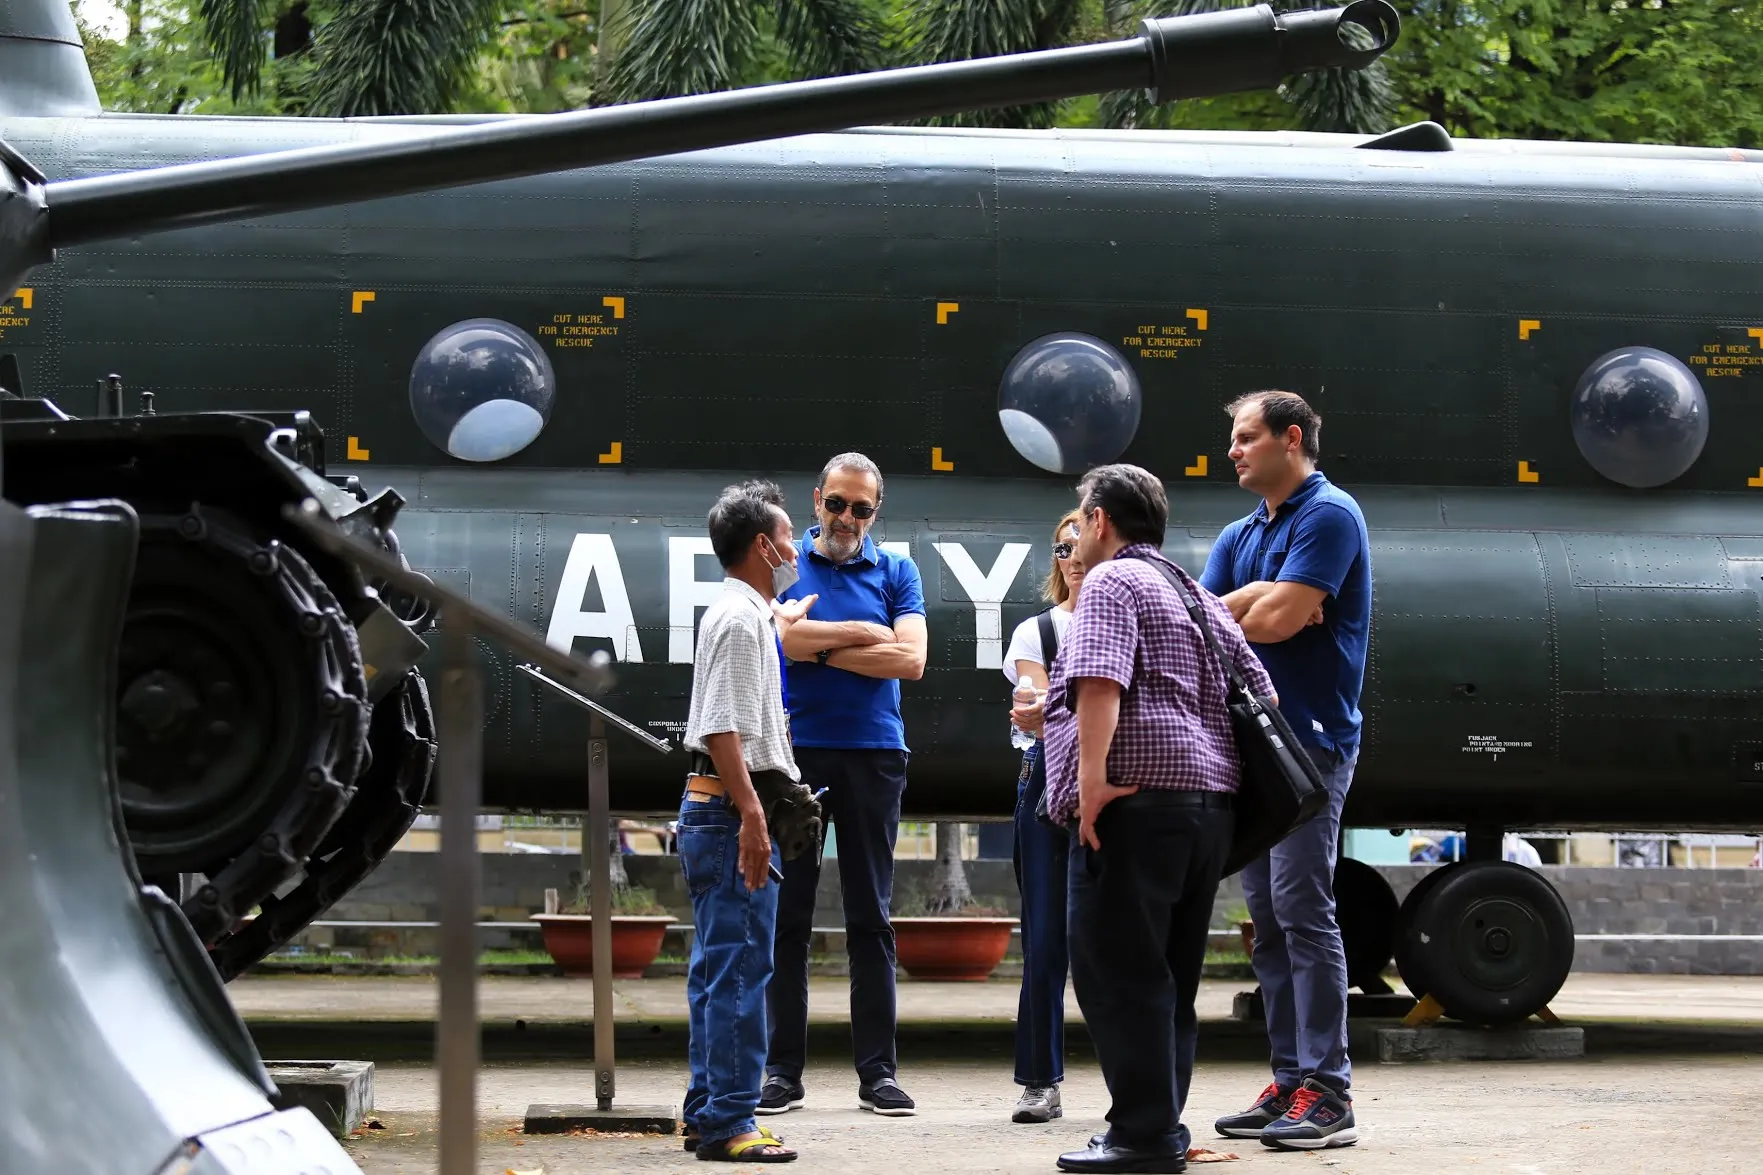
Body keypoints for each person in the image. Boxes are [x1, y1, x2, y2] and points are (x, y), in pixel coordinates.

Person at [1044, 464, 1277, 1175]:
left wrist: (1089, 783)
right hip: (1204, 811)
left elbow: (1100, 677)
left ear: (1101, 521)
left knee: (1116, 973)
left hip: (1135, 806)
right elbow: (1261, 691)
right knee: (1166, 976)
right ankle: (1159, 1126)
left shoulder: (1113, 580)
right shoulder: (1196, 593)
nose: (1077, 535)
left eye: (1081, 520)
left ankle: (1140, 1134)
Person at [1199, 390, 1371, 1152]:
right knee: (1266, 920)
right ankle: (1290, 1076)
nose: (1232, 450)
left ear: (1289, 438)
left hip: (1311, 744)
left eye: (1244, 438)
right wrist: (1260, 601)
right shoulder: (1243, 531)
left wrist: (1260, 605)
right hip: (1251, 746)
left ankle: (1328, 1092)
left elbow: (1269, 620)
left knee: (1304, 909)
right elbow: (1203, 619)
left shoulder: (1329, 515)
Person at [762, 452, 928, 1117]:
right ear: (816, 500)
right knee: (788, 918)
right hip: (793, 754)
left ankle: (877, 1074)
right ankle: (781, 1072)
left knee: (871, 916)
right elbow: (777, 640)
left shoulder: (898, 569)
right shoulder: (783, 565)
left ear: (875, 510)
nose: (847, 518)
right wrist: (862, 634)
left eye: (861, 508)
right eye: (837, 503)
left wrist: (817, 642)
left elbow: (911, 659)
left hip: (873, 756)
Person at [677, 479, 817, 1163]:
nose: (797, 543)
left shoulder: (744, 614)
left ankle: (707, 1111)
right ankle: (732, 1122)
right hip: (730, 809)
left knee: (717, 969)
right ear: (763, 545)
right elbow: (721, 725)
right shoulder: (739, 619)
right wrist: (754, 815)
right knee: (739, 973)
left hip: (714, 807)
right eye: (789, 533)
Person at [1000, 509, 1087, 1125]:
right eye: (1062, 547)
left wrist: (1055, 710)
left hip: (1119, 786)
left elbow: (1045, 709)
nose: (1074, 557)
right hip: (1047, 786)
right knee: (1044, 943)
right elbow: (1029, 709)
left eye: (1083, 543)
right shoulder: (1039, 631)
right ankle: (1039, 1081)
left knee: (1119, 945)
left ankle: (1137, 1088)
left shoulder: (1136, 615)